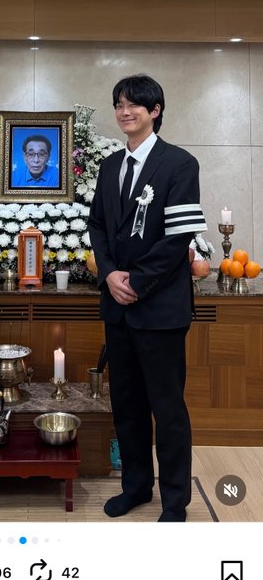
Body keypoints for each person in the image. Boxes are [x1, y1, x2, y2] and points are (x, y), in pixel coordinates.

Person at [88, 75, 207, 522]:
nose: (125, 112)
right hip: (118, 309)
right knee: (128, 406)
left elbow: (178, 238)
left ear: (155, 110)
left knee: (167, 408)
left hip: (159, 309)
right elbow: (98, 226)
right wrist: (109, 273)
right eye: (119, 104)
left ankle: (175, 501)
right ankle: (135, 487)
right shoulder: (109, 167)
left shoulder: (180, 164)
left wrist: (136, 281)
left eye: (134, 104)